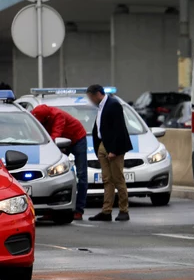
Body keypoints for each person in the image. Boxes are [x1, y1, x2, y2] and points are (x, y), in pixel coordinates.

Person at [31, 104, 89, 220]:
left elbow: (55, 135)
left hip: (78, 139)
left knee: (82, 175)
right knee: (53, 174)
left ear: (46, 118)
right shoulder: (38, 117)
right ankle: (51, 210)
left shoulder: (58, 115)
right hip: (62, 141)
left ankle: (79, 210)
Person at [86, 85, 132, 222]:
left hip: (112, 148)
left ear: (98, 94)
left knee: (118, 179)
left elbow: (119, 128)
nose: (91, 100)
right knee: (107, 180)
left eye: (91, 97)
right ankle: (106, 211)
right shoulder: (100, 106)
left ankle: (124, 210)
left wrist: (114, 150)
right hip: (102, 145)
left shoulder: (113, 105)